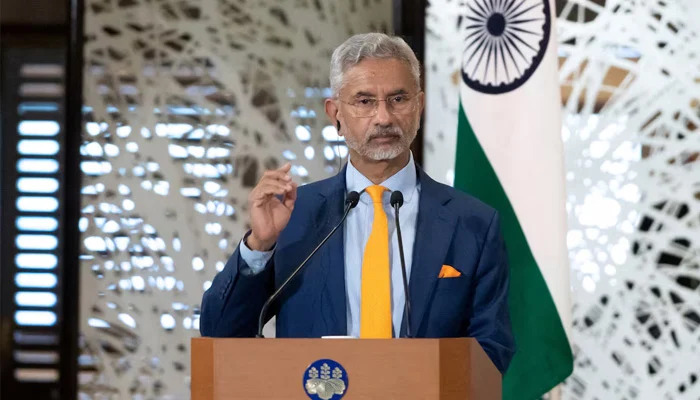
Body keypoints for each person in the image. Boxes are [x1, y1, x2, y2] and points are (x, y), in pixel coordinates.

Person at [200, 33, 515, 373]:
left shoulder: (472, 223)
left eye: (398, 99)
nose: (383, 117)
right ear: (335, 114)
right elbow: (221, 333)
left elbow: (492, 350)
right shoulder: (295, 215)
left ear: (419, 106)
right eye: (364, 101)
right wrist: (259, 245)